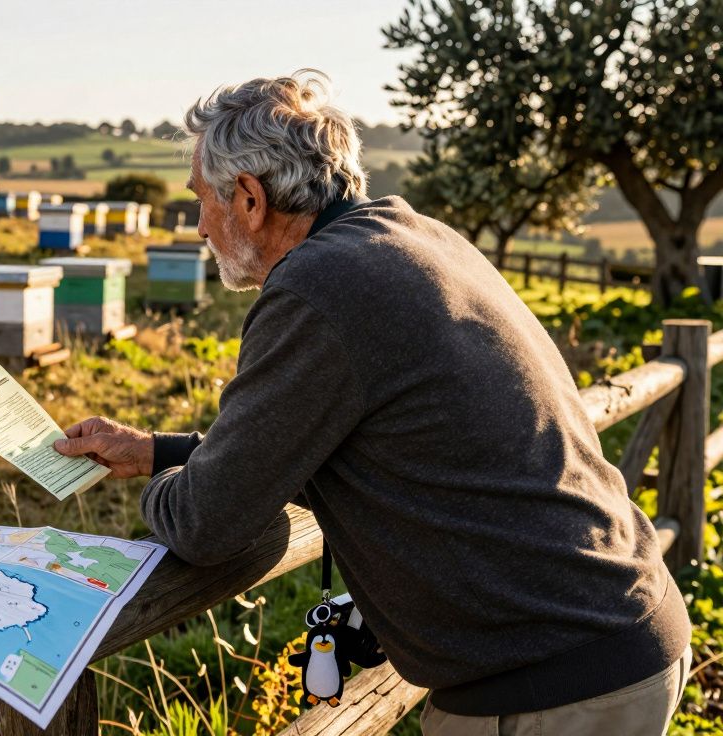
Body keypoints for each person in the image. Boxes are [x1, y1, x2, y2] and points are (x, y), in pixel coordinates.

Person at [52, 71, 692, 736]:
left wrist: (159, 489)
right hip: (616, 634)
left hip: (546, 686)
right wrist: (156, 450)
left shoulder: (317, 289)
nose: (199, 227)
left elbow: (206, 524)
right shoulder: (410, 235)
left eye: (200, 202)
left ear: (248, 198)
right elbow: (337, 437)